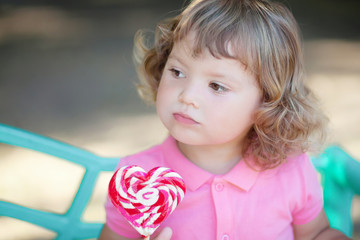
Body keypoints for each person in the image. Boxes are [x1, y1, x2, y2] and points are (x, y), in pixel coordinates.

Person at [99, 0, 351, 239]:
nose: (187, 96)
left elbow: (317, 234)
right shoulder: (138, 183)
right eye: (177, 71)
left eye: (217, 86)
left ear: (267, 101)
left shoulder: (290, 169)